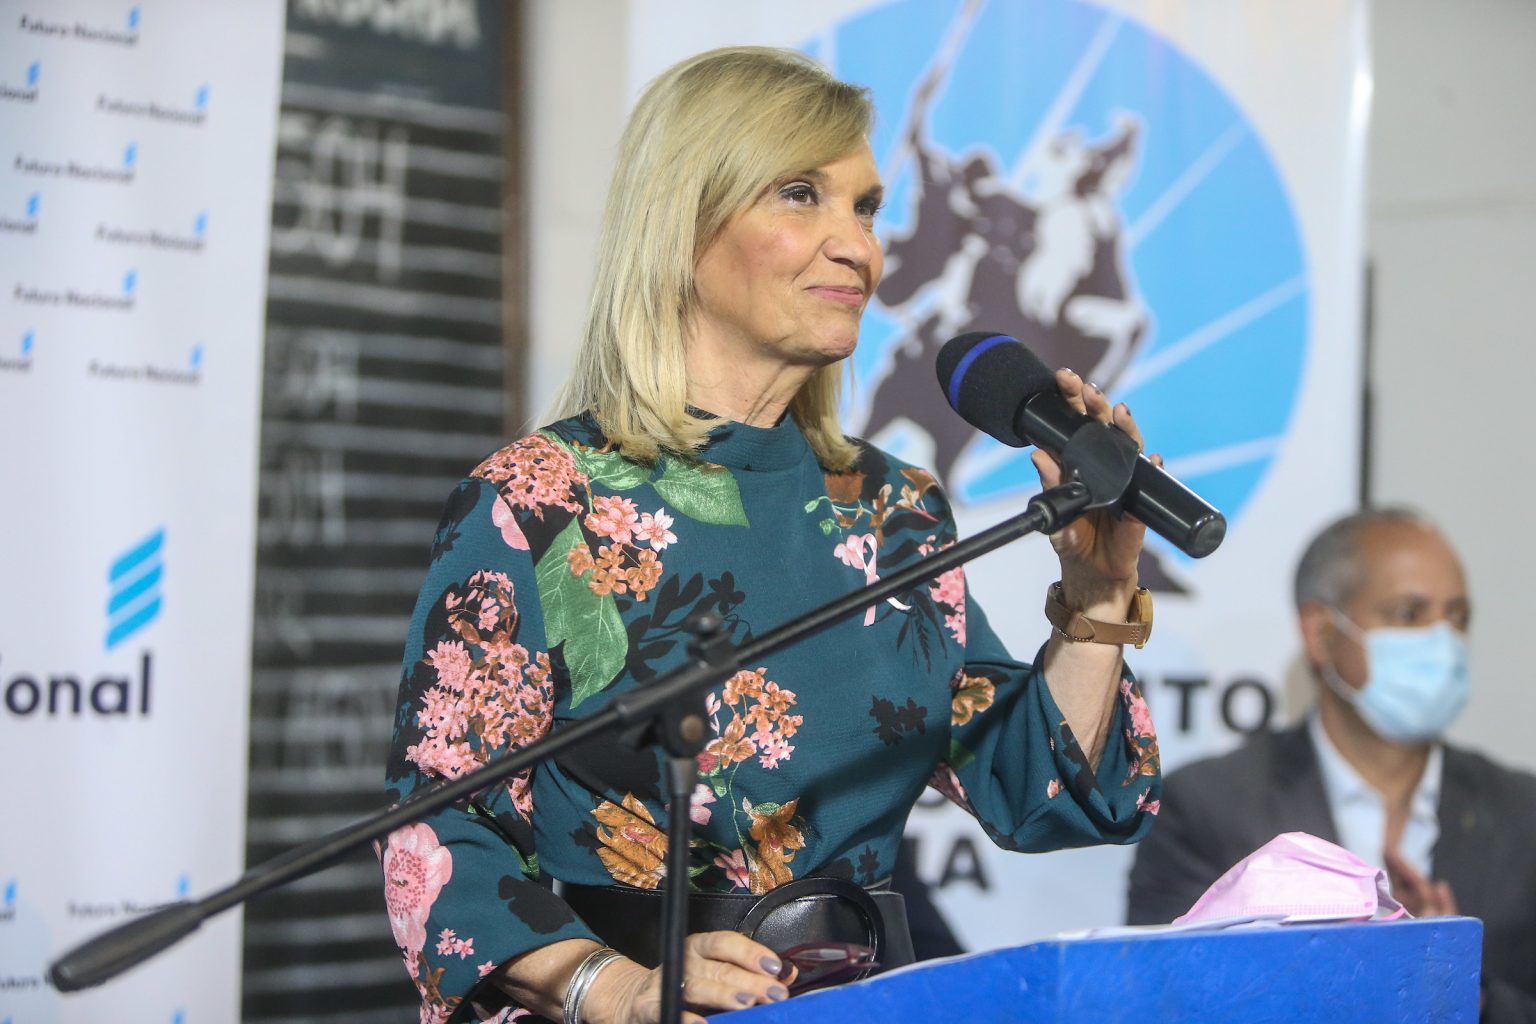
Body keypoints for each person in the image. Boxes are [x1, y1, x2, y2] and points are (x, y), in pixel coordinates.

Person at [383, 46, 1162, 1024]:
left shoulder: (893, 510)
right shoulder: (541, 501)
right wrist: (614, 986)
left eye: (867, 208)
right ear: (682, 223)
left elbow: (1042, 793)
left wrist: (1096, 597)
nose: (858, 246)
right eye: (801, 195)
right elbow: (436, 832)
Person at [1126, 508, 1536, 1022]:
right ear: (1320, 633)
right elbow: (1161, 1000)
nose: (1443, 640)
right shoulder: (1206, 808)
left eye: (1457, 617)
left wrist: (1463, 990)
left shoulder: (1523, 813)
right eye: (1409, 614)